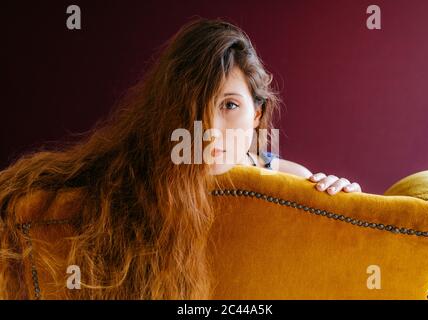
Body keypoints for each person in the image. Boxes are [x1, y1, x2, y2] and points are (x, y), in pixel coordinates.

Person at [0, 17, 360, 300]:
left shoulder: (290, 181)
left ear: (255, 113)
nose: (210, 130)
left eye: (229, 105)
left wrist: (349, 201)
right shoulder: (136, 178)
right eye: (192, 109)